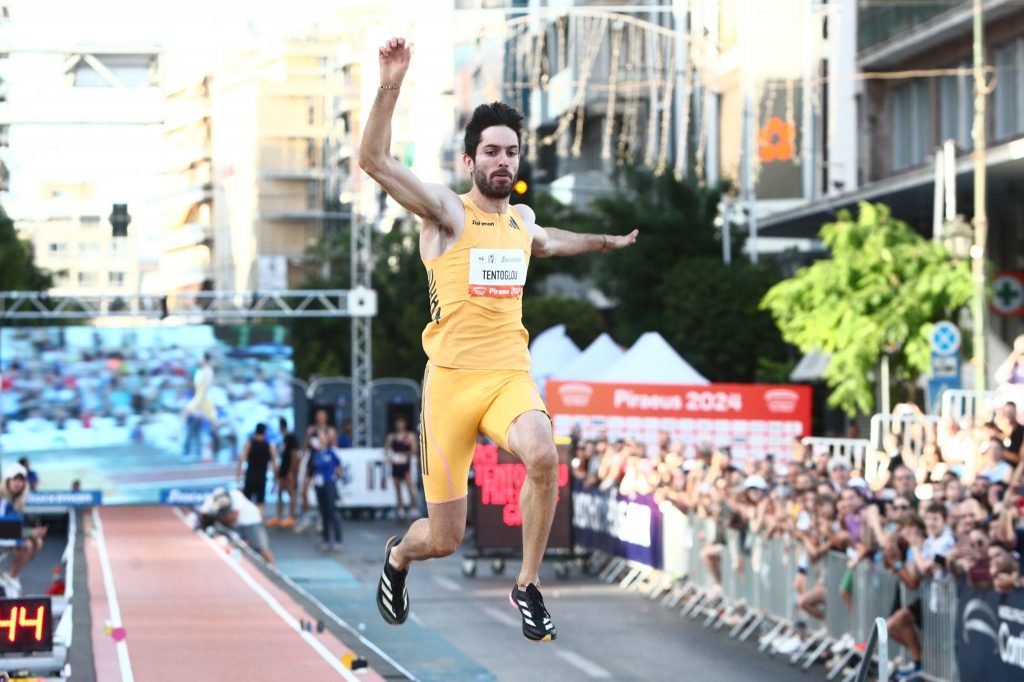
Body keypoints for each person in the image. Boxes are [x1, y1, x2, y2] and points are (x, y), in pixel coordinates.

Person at [360, 37, 637, 642]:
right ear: (470, 162)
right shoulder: (445, 214)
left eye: (511, 151)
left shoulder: (522, 221)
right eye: (491, 151)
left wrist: (603, 242)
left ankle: (528, 585)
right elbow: (375, 161)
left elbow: (552, 240)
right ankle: (398, 558)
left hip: (508, 376)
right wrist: (390, 83)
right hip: (451, 387)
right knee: (443, 538)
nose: (503, 161)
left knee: (543, 454)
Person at [0, 464, 46, 597]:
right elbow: (3, 526)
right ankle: (12, 578)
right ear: (8, 480)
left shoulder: (18, 501)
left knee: (37, 542)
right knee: (27, 545)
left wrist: (32, 533)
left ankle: (12, 576)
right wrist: (29, 533)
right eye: (15, 479)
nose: (18, 483)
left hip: (7, 536)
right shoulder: (2, 499)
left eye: (21, 480)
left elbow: (14, 527)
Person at [196, 487, 274, 564]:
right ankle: (236, 562)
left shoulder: (236, 496)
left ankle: (273, 569)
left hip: (252, 522)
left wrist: (218, 518)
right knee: (232, 542)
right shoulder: (213, 499)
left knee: (261, 547)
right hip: (235, 524)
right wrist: (203, 525)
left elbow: (234, 517)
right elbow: (203, 513)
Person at [304, 435, 343, 550]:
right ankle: (325, 539)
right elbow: (312, 469)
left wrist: (336, 477)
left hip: (329, 484)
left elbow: (339, 465)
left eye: (323, 437)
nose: (320, 439)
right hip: (319, 485)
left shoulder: (330, 452)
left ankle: (338, 539)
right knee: (323, 512)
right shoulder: (316, 454)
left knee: (332, 511)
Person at [237, 423, 277, 514]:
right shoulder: (270, 446)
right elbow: (275, 465)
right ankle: (259, 524)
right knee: (260, 504)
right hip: (261, 479)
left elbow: (242, 462)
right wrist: (275, 481)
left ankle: (248, 524)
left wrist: (239, 480)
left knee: (247, 504)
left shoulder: (249, 444)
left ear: (255, 432)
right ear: (265, 432)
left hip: (250, 477)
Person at [385, 416, 419, 520]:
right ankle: (400, 508)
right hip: (396, 465)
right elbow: (387, 449)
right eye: (398, 423)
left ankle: (413, 506)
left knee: (409, 486)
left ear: (405, 424)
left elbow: (414, 450)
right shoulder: (392, 437)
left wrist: (403, 454)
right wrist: (389, 458)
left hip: (405, 465)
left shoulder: (409, 436)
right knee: (397, 487)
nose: (400, 425)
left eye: (402, 422)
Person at [268, 417, 299, 528]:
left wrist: (291, 472)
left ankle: (291, 517)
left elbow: (294, 456)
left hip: (288, 471)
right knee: (280, 493)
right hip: (282, 470)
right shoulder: (283, 439)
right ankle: (279, 516)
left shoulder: (291, 438)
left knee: (291, 493)